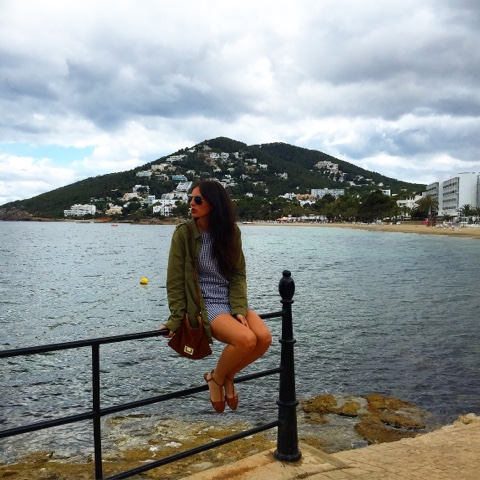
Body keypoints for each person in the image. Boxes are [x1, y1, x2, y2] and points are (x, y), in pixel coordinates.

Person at [159, 180, 272, 413]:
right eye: (190, 199)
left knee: (263, 338)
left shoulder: (231, 233)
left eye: (197, 199)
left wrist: (238, 309)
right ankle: (219, 378)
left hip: (229, 299)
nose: (191, 203)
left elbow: (238, 274)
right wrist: (176, 318)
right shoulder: (184, 234)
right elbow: (175, 280)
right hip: (205, 303)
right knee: (246, 340)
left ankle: (220, 376)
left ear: (214, 204)